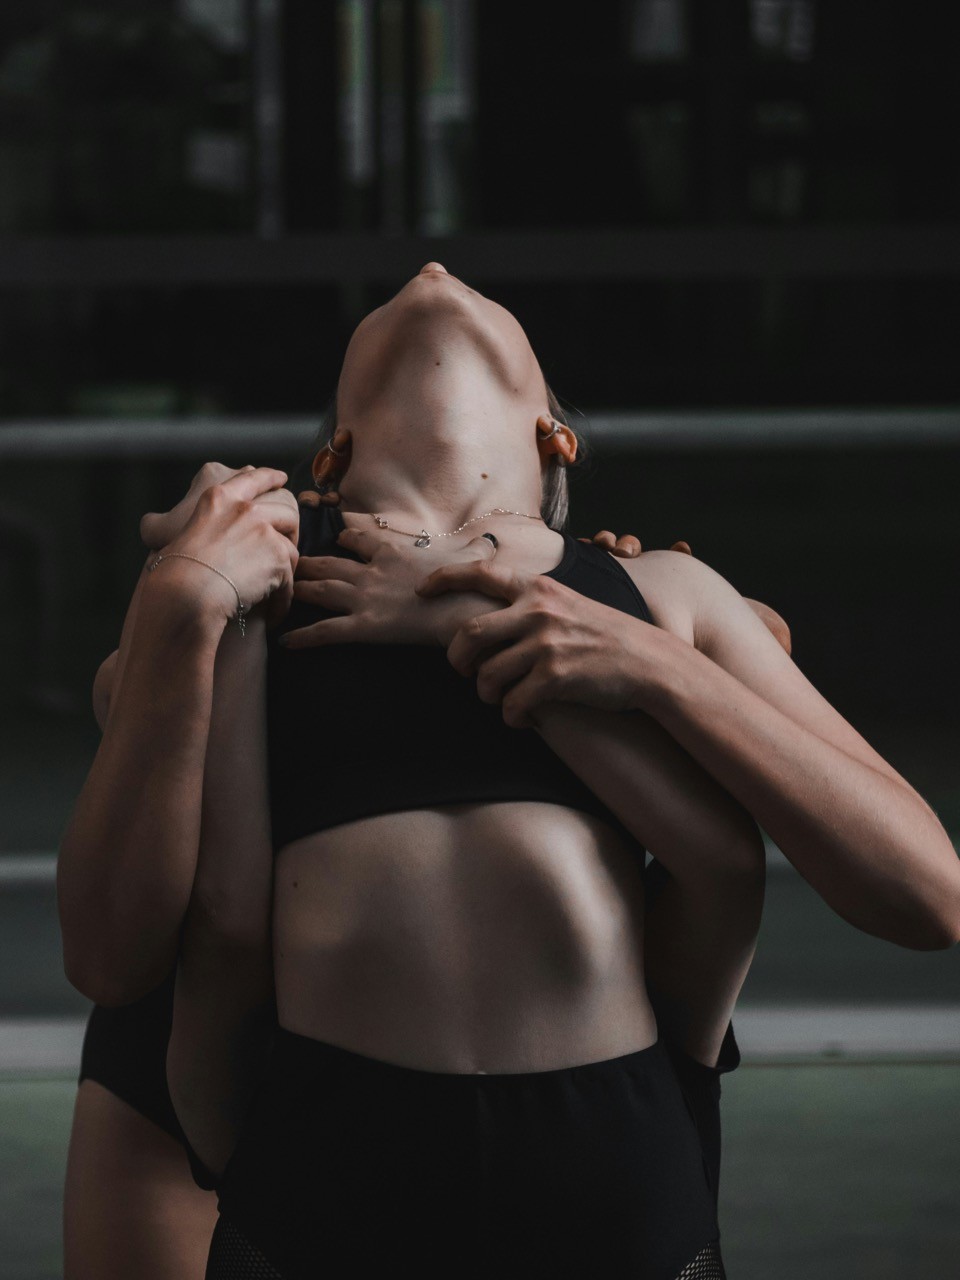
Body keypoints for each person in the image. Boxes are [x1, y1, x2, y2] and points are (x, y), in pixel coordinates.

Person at [59, 263, 960, 1279]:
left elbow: (931, 895)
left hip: (614, 1181)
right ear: (331, 458)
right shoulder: (248, 588)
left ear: (554, 438)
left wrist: (639, 657)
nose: (435, 271)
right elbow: (119, 949)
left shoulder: (661, 590)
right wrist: (182, 596)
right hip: (326, 1177)